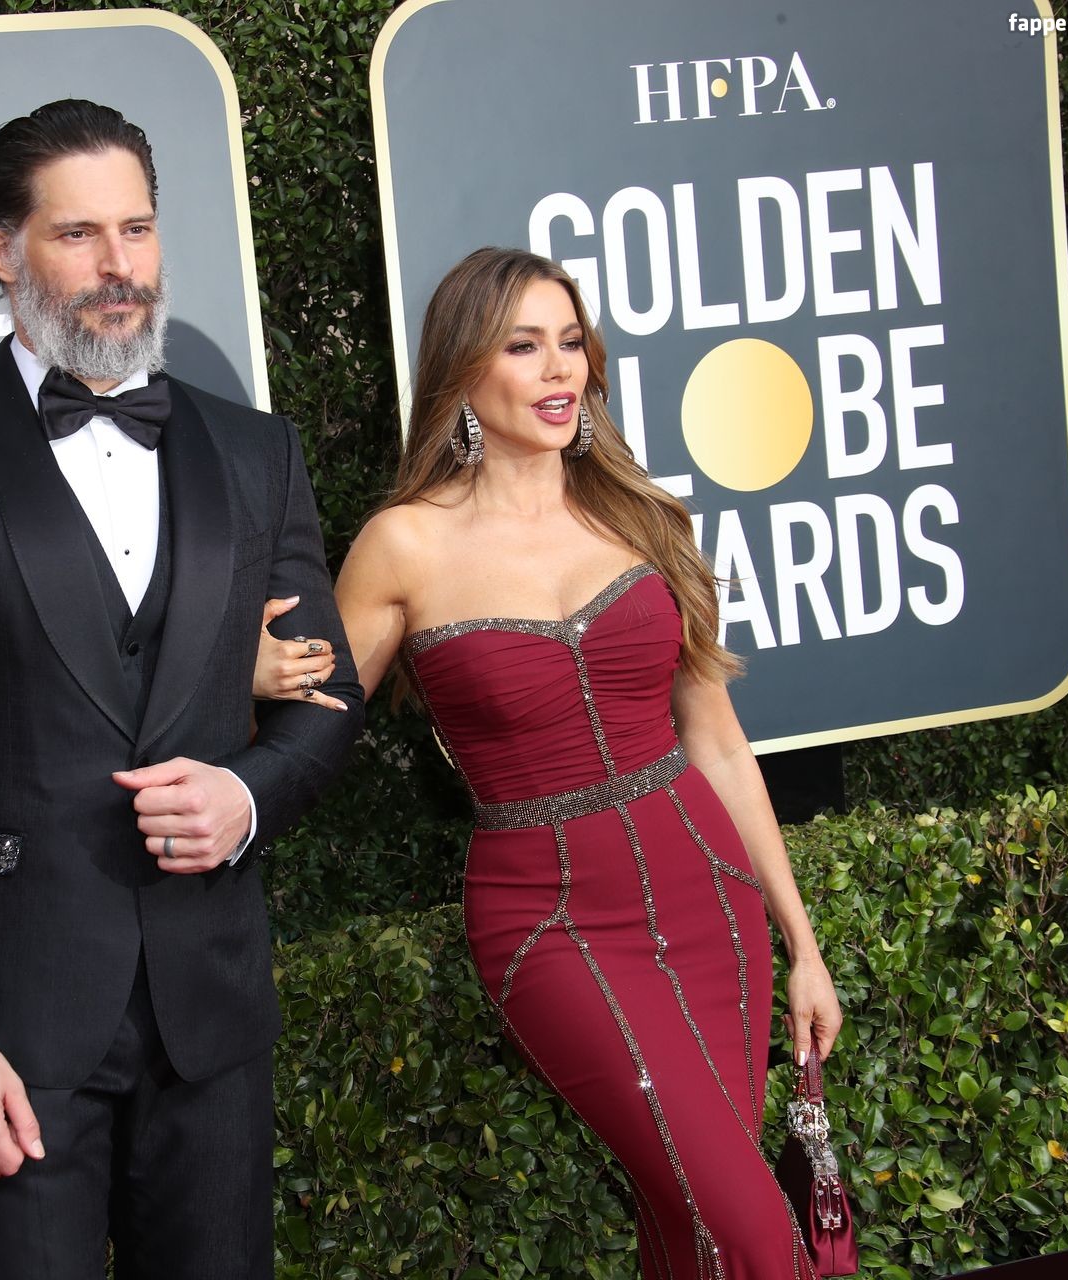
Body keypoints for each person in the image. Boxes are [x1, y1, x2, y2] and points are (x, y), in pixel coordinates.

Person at [0, 98, 364, 1279]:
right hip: (10, 1025)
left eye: (137, 228)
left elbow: (327, 695)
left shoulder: (255, 451)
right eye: (78, 234)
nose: (119, 265)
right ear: (2, 249)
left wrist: (246, 796)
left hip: (208, 1015)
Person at [255, 246, 843, 1277]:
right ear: (464, 372)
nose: (559, 367)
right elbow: (320, 711)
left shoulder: (640, 515)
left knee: (691, 1229)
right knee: (750, 1228)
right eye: (523, 346)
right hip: (551, 923)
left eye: (570, 342)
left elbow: (716, 738)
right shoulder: (404, 544)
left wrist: (802, 940)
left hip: (712, 904)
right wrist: (252, 675)